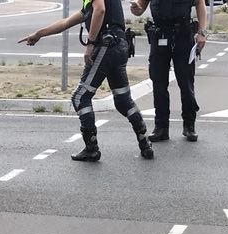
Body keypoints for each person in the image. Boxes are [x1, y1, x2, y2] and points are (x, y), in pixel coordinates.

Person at [20, 0, 154, 162]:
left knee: (80, 98)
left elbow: (100, 10)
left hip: (107, 45)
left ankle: (91, 149)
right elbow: (66, 22)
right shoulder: (89, 4)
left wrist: (90, 44)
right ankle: (144, 141)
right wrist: (39, 34)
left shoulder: (96, 3)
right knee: (123, 100)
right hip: (119, 45)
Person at [130, 0, 207, 142]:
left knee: (186, 82)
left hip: (183, 34)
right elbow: (140, 7)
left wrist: (202, 32)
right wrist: (136, 8)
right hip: (160, 34)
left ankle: (189, 125)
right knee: (158, 83)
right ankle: (161, 127)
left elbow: (200, 3)